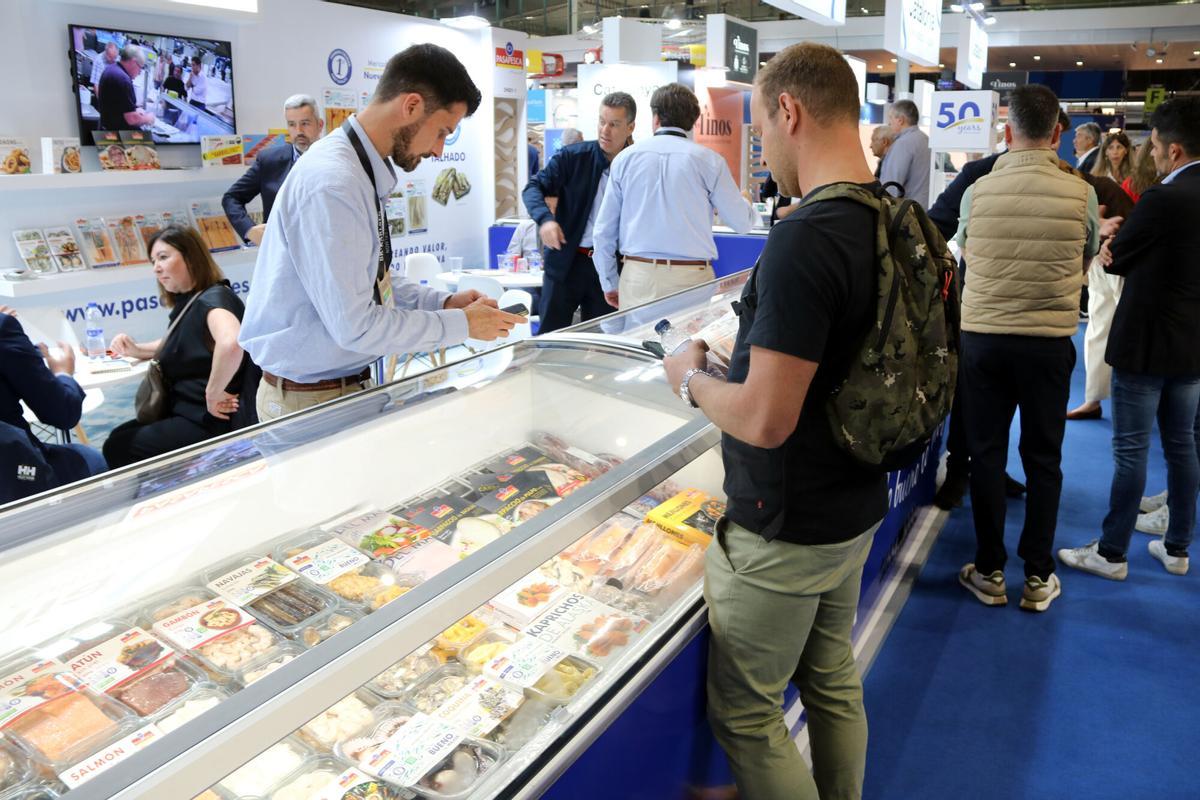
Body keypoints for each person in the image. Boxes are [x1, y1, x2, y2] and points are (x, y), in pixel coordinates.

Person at [662, 42, 888, 800]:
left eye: (761, 128)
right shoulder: (891, 215)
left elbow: (763, 421)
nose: (764, 148)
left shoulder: (806, 237)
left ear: (789, 110)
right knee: (830, 676)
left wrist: (690, 378)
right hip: (856, 499)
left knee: (749, 713)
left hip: (786, 522)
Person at [239, 44, 524, 422]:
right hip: (310, 402)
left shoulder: (356, 171)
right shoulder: (334, 182)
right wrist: (463, 325)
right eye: (441, 132)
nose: (439, 150)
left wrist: (441, 303)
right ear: (410, 106)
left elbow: (371, 281)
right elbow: (356, 327)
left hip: (335, 390)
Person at [955, 84, 1100, 612]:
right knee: (1044, 459)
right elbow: (1086, 257)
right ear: (1058, 133)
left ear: (1007, 131)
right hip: (1047, 343)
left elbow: (969, 251)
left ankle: (990, 569)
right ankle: (1038, 575)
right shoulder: (1081, 192)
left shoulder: (978, 189)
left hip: (984, 341)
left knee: (986, 454)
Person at [1059, 96, 1200, 580]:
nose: (1153, 155)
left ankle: (1112, 552)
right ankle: (1177, 546)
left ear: (1175, 150)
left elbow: (1117, 259)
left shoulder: (1164, 198)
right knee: (1182, 445)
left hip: (1146, 342)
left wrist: (1105, 242)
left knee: (1131, 449)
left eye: (1157, 147)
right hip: (1192, 346)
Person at [592, 83, 755, 311]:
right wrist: (746, 202)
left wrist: (609, 282)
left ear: (655, 118)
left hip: (638, 276)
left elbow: (603, 232)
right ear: (692, 122)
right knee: (689, 345)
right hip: (691, 278)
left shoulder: (625, 159)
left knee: (638, 345)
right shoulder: (709, 161)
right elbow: (742, 223)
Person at [103, 226, 248, 468]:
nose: (156, 268)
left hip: (210, 419)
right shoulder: (192, 300)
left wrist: (213, 392)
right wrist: (138, 349)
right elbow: (184, 343)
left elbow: (231, 342)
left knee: (119, 447)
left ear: (191, 257)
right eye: (153, 261)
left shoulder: (213, 298)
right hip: (188, 412)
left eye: (163, 257)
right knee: (118, 437)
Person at [522, 92, 637, 332]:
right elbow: (533, 187)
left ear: (630, 127)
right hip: (567, 263)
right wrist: (545, 220)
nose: (605, 130)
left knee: (606, 343)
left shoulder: (638, 166)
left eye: (614, 124)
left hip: (611, 267)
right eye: (601, 121)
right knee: (551, 338)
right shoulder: (573, 157)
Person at [0, 308, 107, 503]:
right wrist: (63, 374)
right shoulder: (3, 327)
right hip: (13, 475)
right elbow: (62, 413)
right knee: (91, 458)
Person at [222, 94, 325, 246]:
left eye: (305, 123)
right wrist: (249, 230)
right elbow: (231, 198)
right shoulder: (269, 161)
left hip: (322, 252)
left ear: (320, 125)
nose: (298, 131)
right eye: (292, 124)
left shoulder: (335, 160)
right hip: (280, 255)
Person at [879, 99, 930, 205]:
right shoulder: (926, 140)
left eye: (891, 118)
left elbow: (891, 186)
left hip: (906, 212)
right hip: (923, 210)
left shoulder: (903, 144)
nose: (889, 123)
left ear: (900, 120)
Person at [97, 45, 156, 132]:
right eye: (140, 67)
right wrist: (148, 118)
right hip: (118, 136)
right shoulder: (123, 80)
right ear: (133, 62)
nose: (140, 72)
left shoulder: (110, 69)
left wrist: (135, 109)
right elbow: (131, 119)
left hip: (105, 128)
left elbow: (118, 105)